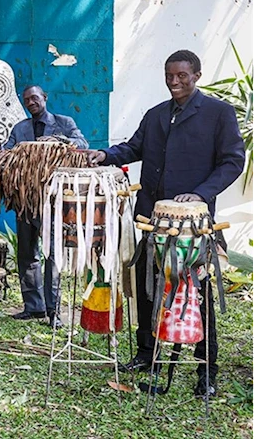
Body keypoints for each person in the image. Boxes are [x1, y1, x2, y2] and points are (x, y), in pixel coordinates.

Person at [86, 50, 244, 397]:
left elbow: (233, 161)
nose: (174, 81)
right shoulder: (156, 114)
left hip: (193, 226)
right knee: (147, 288)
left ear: (197, 75)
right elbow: (133, 148)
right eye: (169, 75)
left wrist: (201, 194)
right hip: (151, 220)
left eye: (182, 76)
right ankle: (147, 353)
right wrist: (105, 155)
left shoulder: (219, 113)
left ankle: (206, 370)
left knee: (197, 296)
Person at [0, 85, 88, 328]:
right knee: (26, 253)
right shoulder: (19, 128)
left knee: (52, 256)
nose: (31, 102)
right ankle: (33, 306)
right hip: (25, 202)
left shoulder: (63, 122)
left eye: (35, 98)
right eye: (27, 100)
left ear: (45, 97)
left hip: (54, 201)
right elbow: (8, 156)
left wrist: (58, 140)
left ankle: (53, 312)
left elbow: (82, 143)